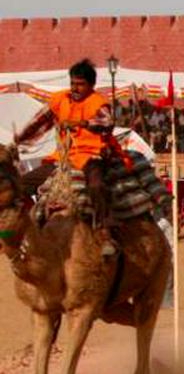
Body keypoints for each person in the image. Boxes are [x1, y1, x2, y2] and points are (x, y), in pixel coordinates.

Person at [15, 58, 119, 256]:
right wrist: (18, 140)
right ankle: (22, 230)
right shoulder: (60, 99)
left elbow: (107, 122)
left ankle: (105, 231)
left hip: (91, 157)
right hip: (61, 159)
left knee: (97, 187)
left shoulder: (98, 102)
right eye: (73, 83)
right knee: (19, 185)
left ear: (91, 85)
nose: (75, 88)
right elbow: (39, 122)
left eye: (80, 84)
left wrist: (82, 123)